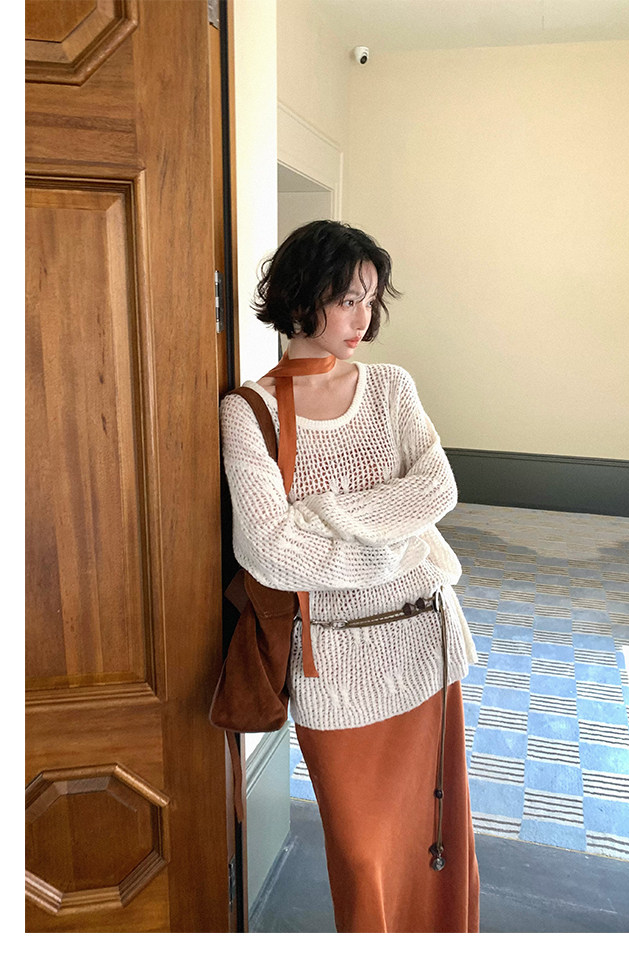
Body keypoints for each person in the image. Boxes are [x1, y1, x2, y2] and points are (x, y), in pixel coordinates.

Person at [219, 220, 480, 933]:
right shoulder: (250, 411)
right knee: (364, 855)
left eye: (370, 299)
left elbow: (437, 489)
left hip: (424, 643)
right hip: (332, 663)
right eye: (346, 299)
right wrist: (391, 549)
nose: (362, 318)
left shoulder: (391, 387)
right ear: (302, 297)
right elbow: (269, 549)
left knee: (439, 839)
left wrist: (325, 513)